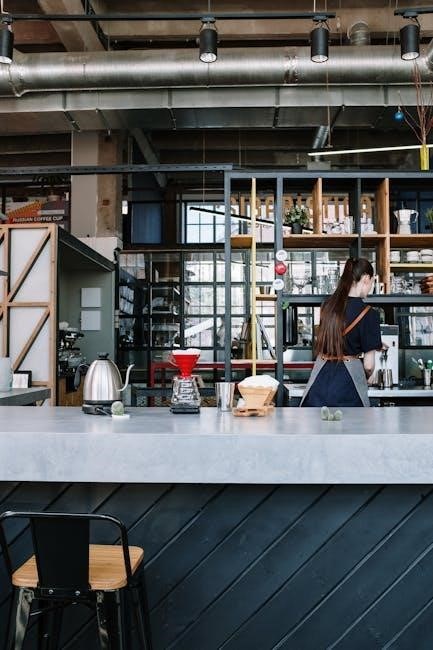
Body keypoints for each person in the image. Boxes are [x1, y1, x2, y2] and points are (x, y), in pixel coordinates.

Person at [300, 257, 382, 408]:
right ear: (366, 279)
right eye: (372, 282)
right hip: (348, 387)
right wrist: (366, 376)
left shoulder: (327, 306)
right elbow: (369, 365)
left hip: (320, 382)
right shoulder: (370, 314)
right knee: (351, 423)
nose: (370, 287)